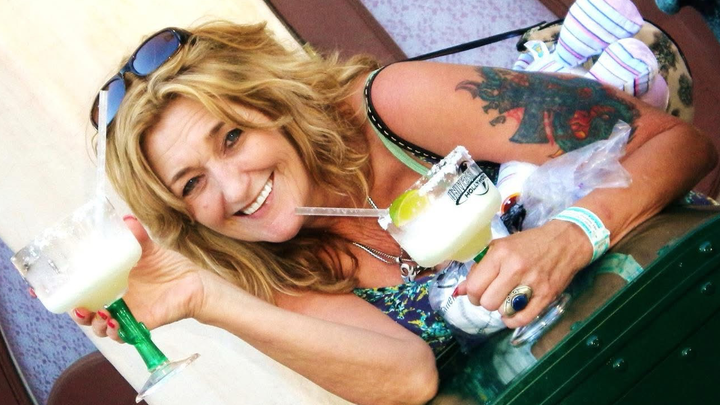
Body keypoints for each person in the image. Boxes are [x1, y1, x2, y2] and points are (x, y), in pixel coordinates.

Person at [71, 21, 717, 405]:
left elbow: (677, 143)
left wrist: (571, 235)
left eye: (232, 137)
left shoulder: (391, 108)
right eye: (192, 184)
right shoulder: (276, 263)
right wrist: (204, 297)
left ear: (271, 104)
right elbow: (407, 379)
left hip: (682, 304)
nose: (234, 187)